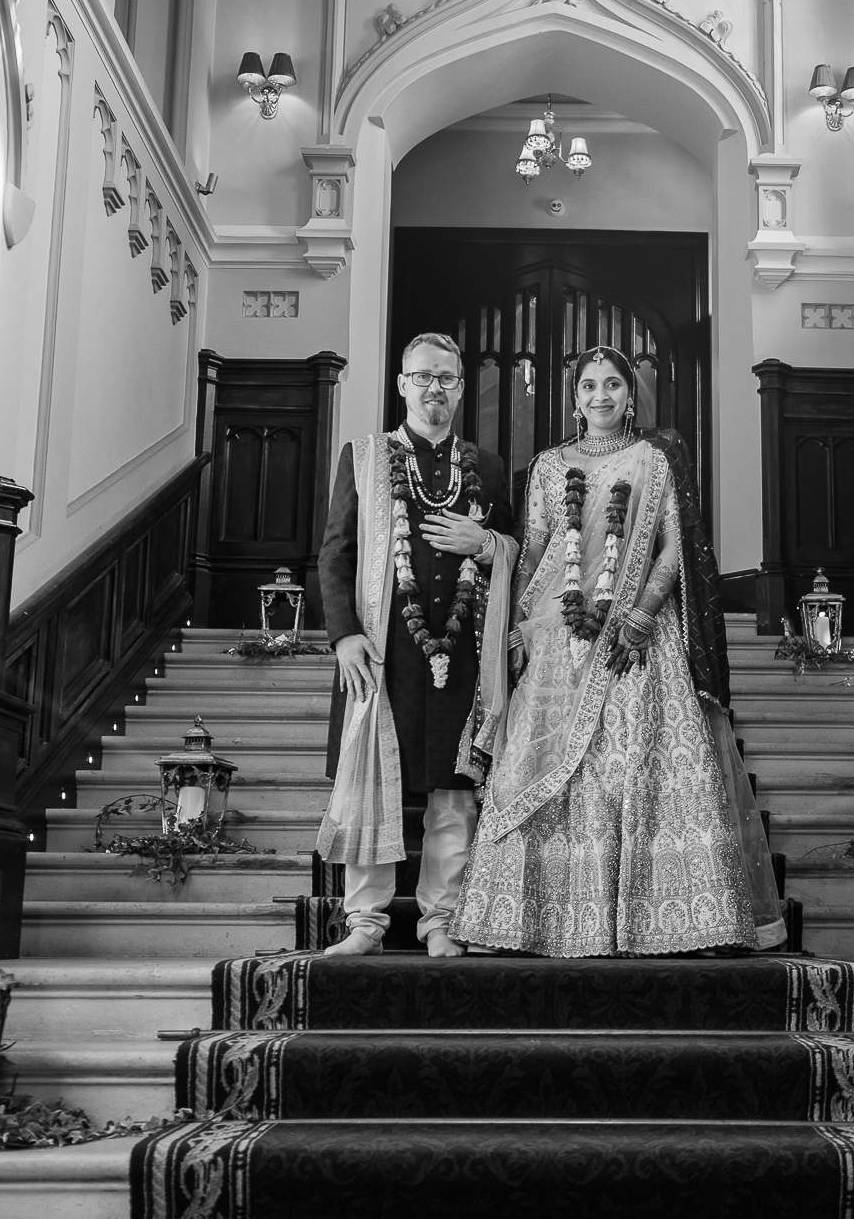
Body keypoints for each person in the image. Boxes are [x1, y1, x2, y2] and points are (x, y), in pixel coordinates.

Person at [451, 346, 785, 957]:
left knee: (634, 768)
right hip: (559, 634)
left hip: (639, 640)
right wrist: (522, 624)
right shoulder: (550, 467)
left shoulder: (657, 459)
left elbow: (674, 544)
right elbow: (537, 550)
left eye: (612, 385)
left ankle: (670, 921)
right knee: (540, 766)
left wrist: (642, 611)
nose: (600, 396)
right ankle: (539, 922)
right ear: (574, 398)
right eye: (588, 387)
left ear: (631, 396)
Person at [317, 333, 516, 958]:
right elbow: (336, 551)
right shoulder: (365, 456)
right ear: (401, 383)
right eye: (423, 376)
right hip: (382, 650)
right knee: (370, 784)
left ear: (461, 387)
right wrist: (344, 634)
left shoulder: (485, 469)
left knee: (453, 790)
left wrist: (482, 541)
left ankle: (441, 921)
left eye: (448, 379)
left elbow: (519, 556)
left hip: (463, 656)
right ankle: (365, 925)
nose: (435, 389)